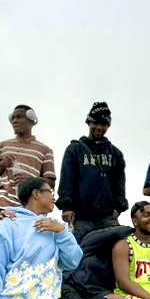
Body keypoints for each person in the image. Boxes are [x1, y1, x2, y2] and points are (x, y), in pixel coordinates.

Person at [56, 101, 128, 242]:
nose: (99, 127)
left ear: (108, 126)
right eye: (95, 123)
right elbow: (67, 179)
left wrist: (118, 208)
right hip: (80, 217)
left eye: (104, 124)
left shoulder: (116, 154)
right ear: (89, 122)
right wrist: (67, 207)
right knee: (80, 255)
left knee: (115, 251)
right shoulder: (74, 149)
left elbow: (120, 184)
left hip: (108, 216)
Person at [0, 104, 56, 223]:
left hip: (30, 207)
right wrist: (3, 164)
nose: (14, 121)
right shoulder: (2, 145)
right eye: (12, 118)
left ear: (31, 119)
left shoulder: (45, 150)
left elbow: (51, 183)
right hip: (1, 204)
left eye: (19, 117)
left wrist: (31, 180)